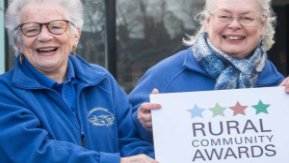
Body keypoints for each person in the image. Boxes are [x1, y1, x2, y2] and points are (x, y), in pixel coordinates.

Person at [0, 0, 158, 162]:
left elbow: (130, 139)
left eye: (56, 26)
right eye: (32, 29)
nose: (45, 36)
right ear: (18, 42)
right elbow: (35, 153)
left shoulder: (101, 81)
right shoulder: (5, 93)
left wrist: (148, 158)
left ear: (76, 35)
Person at [129, 0, 289, 142]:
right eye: (224, 16)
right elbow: (124, 136)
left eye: (246, 18)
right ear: (207, 21)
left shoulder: (276, 84)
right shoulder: (166, 74)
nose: (234, 25)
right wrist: (141, 122)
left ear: (262, 25)